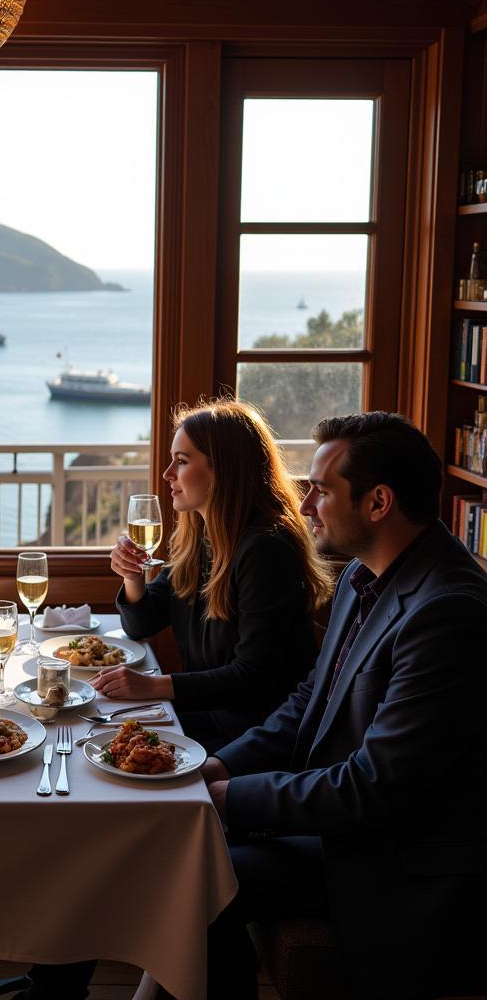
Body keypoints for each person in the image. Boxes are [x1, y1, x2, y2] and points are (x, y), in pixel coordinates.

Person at [195, 412, 487, 1000]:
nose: (304, 506)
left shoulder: (448, 613)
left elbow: (372, 787)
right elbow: (311, 699)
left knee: (192, 876)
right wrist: (220, 767)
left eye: (322, 491)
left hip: (395, 863)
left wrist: (230, 799)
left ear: (378, 502)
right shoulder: (362, 574)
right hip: (346, 829)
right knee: (180, 850)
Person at [104, 399, 332, 752]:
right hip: (208, 716)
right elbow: (142, 624)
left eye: (181, 462)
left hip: (250, 737)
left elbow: (253, 676)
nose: (167, 474)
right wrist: (132, 576)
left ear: (222, 470)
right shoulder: (201, 538)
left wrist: (153, 687)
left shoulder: (265, 550)